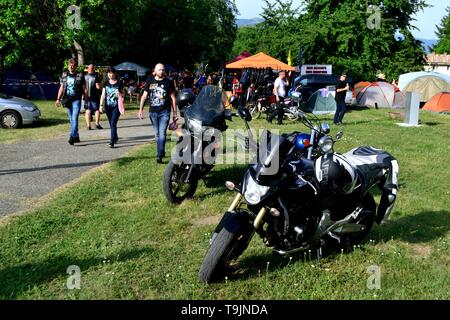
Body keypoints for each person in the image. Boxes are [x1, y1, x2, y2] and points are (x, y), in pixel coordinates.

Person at [314, 146, 398, 224]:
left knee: (388, 193)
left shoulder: (385, 165)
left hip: (373, 166)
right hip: (355, 157)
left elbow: (390, 194)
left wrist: (380, 219)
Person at [138, 63, 177, 163]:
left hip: (165, 112)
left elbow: (173, 98)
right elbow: (144, 96)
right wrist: (140, 110)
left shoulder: (168, 82)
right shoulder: (150, 81)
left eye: (163, 70)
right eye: (159, 70)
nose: (162, 71)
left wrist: (175, 113)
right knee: (157, 135)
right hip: (153, 113)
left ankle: (159, 155)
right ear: (155, 71)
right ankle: (162, 151)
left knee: (162, 134)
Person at [55, 58, 87, 145]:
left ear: (75, 66)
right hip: (67, 100)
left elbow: (84, 88)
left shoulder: (80, 75)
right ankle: (76, 136)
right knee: (71, 120)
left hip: (76, 99)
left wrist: (86, 98)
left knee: (74, 118)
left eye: (73, 65)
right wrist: (58, 99)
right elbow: (61, 87)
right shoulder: (64, 75)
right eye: (70, 65)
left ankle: (72, 136)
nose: (71, 67)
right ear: (68, 66)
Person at [100, 67, 124, 148]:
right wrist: (100, 105)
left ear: (115, 74)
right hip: (107, 106)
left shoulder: (119, 83)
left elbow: (124, 93)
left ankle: (112, 141)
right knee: (111, 123)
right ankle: (115, 137)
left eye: (112, 73)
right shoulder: (105, 83)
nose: (110, 75)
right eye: (109, 73)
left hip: (116, 106)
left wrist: (120, 94)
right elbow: (103, 95)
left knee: (113, 123)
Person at [84, 64, 103, 130]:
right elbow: (98, 86)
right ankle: (97, 124)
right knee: (96, 110)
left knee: (87, 110)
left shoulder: (84, 76)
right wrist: (102, 90)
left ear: (88, 69)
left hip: (86, 96)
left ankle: (88, 125)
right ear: (93, 69)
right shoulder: (96, 76)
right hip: (94, 96)